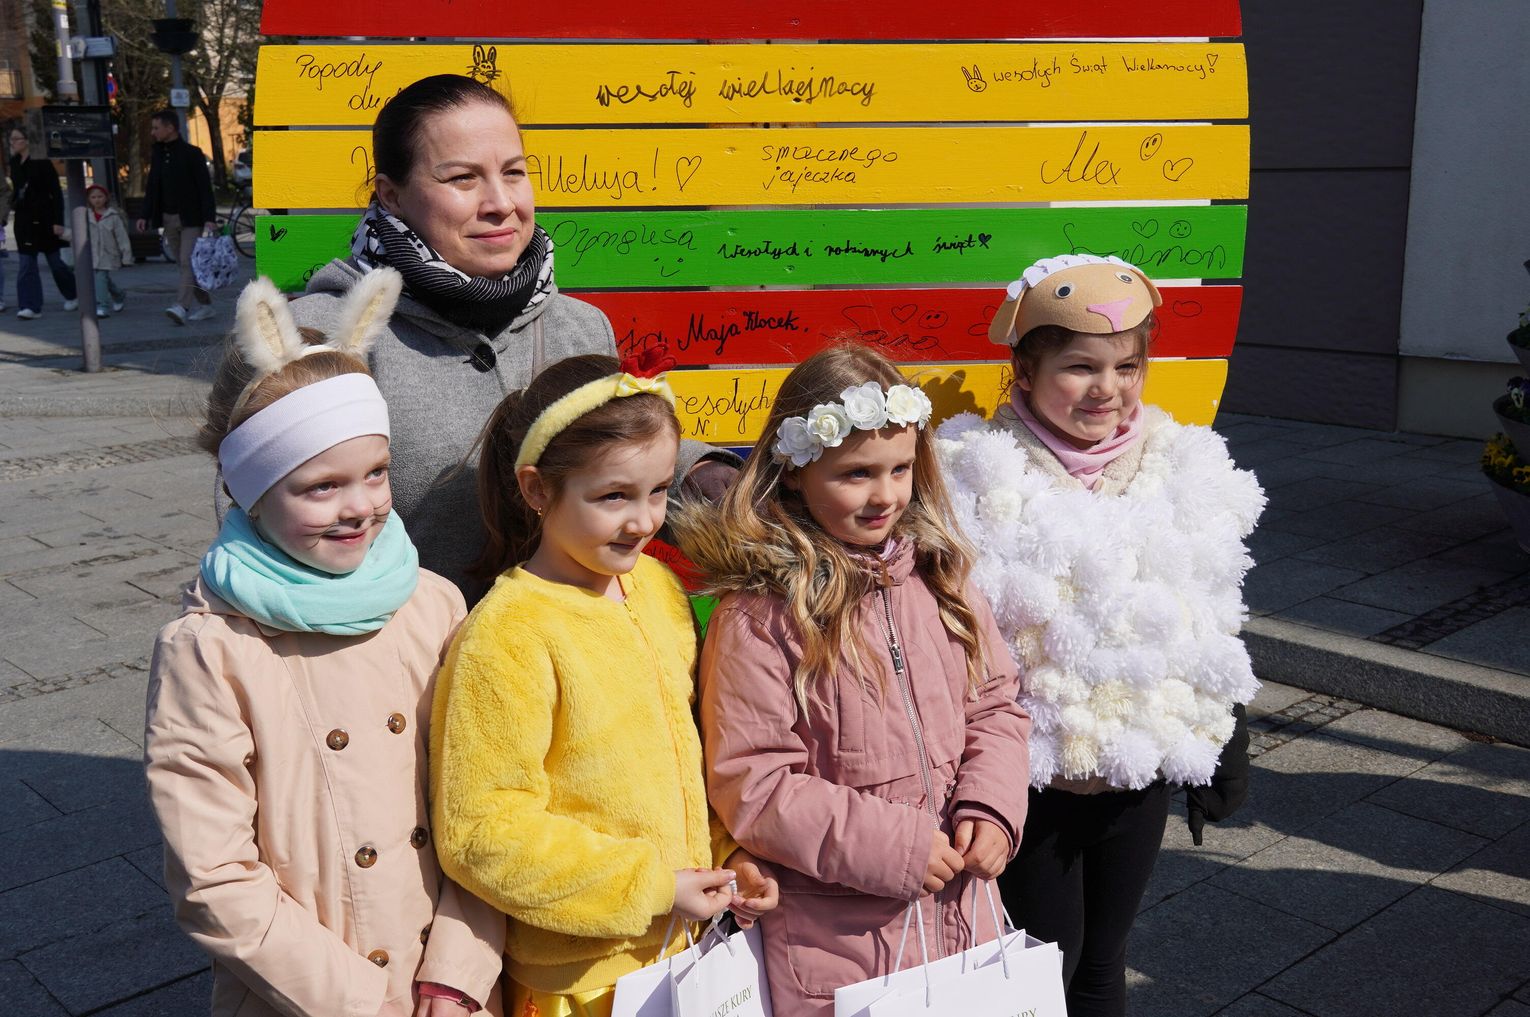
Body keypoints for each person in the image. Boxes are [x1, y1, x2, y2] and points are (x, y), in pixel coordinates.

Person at [145, 270, 506, 1017]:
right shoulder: (211, 648)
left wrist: (460, 972)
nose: (361, 507)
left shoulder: (432, 603)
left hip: (455, 991)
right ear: (249, 490)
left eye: (376, 474)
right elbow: (214, 878)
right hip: (311, 996)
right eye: (321, 486)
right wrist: (363, 1002)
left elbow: (488, 803)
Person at [937, 254, 1266, 1017]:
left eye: (1127, 366)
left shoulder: (1176, 463)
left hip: (1133, 773)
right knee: (1041, 964)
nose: (1107, 388)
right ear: (1024, 369)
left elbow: (1207, 612)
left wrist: (1225, 733)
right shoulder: (979, 474)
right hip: (1026, 779)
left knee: (1105, 958)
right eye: (1081, 366)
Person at [670, 344, 1031, 1017]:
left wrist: (991, 806)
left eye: (900, 469)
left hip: (961, 921)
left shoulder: (942, 581)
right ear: (795, 472)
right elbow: (754, 782)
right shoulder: (761, 614)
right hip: (839, 949)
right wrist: (894, 845)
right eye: (857, 473)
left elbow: (994, 705)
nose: (885, 495)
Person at [287, 74, 736, 599]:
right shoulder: (325, 338)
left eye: (514, 172)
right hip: (399, 646)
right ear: (393, 195)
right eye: (462, 178)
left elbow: (610, 458)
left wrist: (699, 474)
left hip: (567, 640)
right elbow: (272, 526)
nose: (500, 202)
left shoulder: (579, 327)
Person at [429, 352, 778, 1017]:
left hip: (684, 951)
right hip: (579, 980)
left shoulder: (656, 587)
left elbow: (687, 756)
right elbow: (482, 832)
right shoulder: (508, 633)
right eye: (614, 496)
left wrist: (729, 855)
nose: (644, 520)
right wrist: (653, 886)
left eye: (658, 490)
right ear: (537, 490)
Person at [136, 108, 216, 325]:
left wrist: (209, 218)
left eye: (156, 128)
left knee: (186, 261)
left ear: (170, 128)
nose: (152, 132)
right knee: (185, 265)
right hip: (168, 218)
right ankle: (206, 305)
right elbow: (153, 187)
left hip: (191, 219)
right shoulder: (158, 154)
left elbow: (204, 188)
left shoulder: (192, 153)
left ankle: (181, 306)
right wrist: (144, 215)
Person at [8, 126, 78, 319]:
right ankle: (30, 306)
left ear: (27, 140)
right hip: (24, 220)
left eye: (16, 139)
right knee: (26, 264)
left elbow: (55, 192)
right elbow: (16, 190)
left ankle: (73, 293)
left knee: (56, 263)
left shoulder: (42, 162)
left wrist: (58, 221)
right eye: (11, 139)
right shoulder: (14, 162)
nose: (12, 143)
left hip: (45, 220)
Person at [85, 184, 131, 317]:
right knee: (102, 278)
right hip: (92, 253)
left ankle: (102, 306)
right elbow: (78, 233)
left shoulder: (113, 216)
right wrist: (64, 233)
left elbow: (122, 237)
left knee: (100, 276)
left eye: (100, 196)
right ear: (89, 199)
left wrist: (126, 256)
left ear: (106, 198)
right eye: (93, 197)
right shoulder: (86, 215)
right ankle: (119, 294)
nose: (97, 200)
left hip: (108, 253)